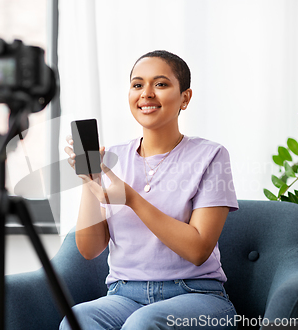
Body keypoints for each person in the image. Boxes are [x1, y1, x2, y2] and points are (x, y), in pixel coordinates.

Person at [62, 50, 239, 330]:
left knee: (143, 324)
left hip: (195, 295)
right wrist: (90, 182)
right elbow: (89, 249)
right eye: (137, 85)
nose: (146, 93)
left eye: (160, 84)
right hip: (124, 295)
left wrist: (132, 199)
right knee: (78, 320)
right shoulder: (114, 158)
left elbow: (198, 250)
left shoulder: (211, 155)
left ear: (185, 97)